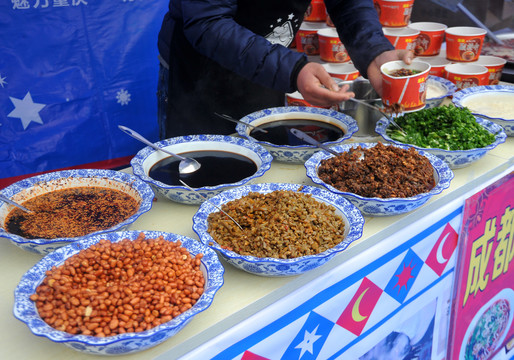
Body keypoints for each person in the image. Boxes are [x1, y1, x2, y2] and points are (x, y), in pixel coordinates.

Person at [157, 0, 413, 139]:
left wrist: (374, 51)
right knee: (200, 176)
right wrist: (292, 69)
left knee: (265, 162)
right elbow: (207, 22)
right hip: (199, 71)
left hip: (268, 67)